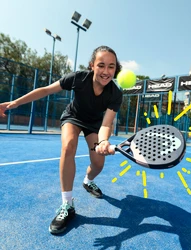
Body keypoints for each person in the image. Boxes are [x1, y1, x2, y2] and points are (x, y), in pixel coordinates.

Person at [0, 45, 123, 234]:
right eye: (101, 65)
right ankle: (67, 205)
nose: (106, 71)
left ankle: (88, 180)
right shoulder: (78, 78)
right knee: (68, 146)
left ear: (115, 69)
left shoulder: (116, 93)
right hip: (73, 118)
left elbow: (106, 124)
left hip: (95, 126)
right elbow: (46, 90)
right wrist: (15, 102)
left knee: (98, 164)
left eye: (111, 66)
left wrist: (103, 141)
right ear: (92, 66)